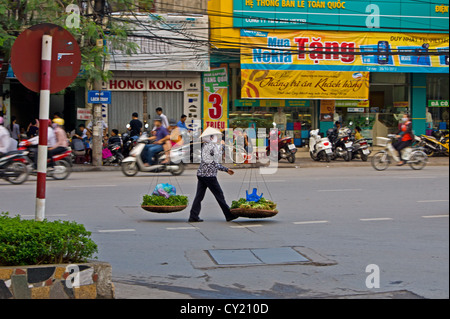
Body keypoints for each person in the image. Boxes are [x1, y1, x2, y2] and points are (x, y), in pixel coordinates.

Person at [188, 127, 237, 223]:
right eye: (215, 136)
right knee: (219, 195)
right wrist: (226, 169)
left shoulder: (206, 146)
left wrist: (221, 147)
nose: (217, 138)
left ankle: (193, 216)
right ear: (211, 137)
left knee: (199, 196)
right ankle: (229, 215)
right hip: (209, 176)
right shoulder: (211, 146)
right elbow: (215, 162)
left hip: (202, 174)